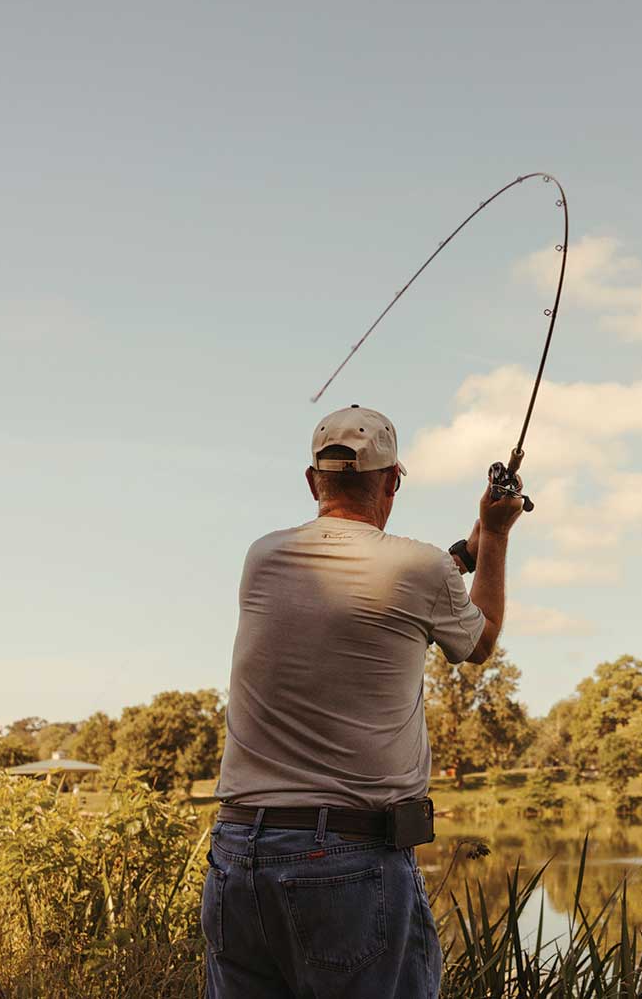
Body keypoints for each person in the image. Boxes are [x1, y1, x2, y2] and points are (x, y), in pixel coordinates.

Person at [201, 404, 522, 998]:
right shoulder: (419, 568)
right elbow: (479, 642)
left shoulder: (264, 557)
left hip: (239, 855)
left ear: (312, 480)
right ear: (393, 480)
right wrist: (496, 535)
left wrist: (465, 550)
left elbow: (383, 588)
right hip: (346, 858)